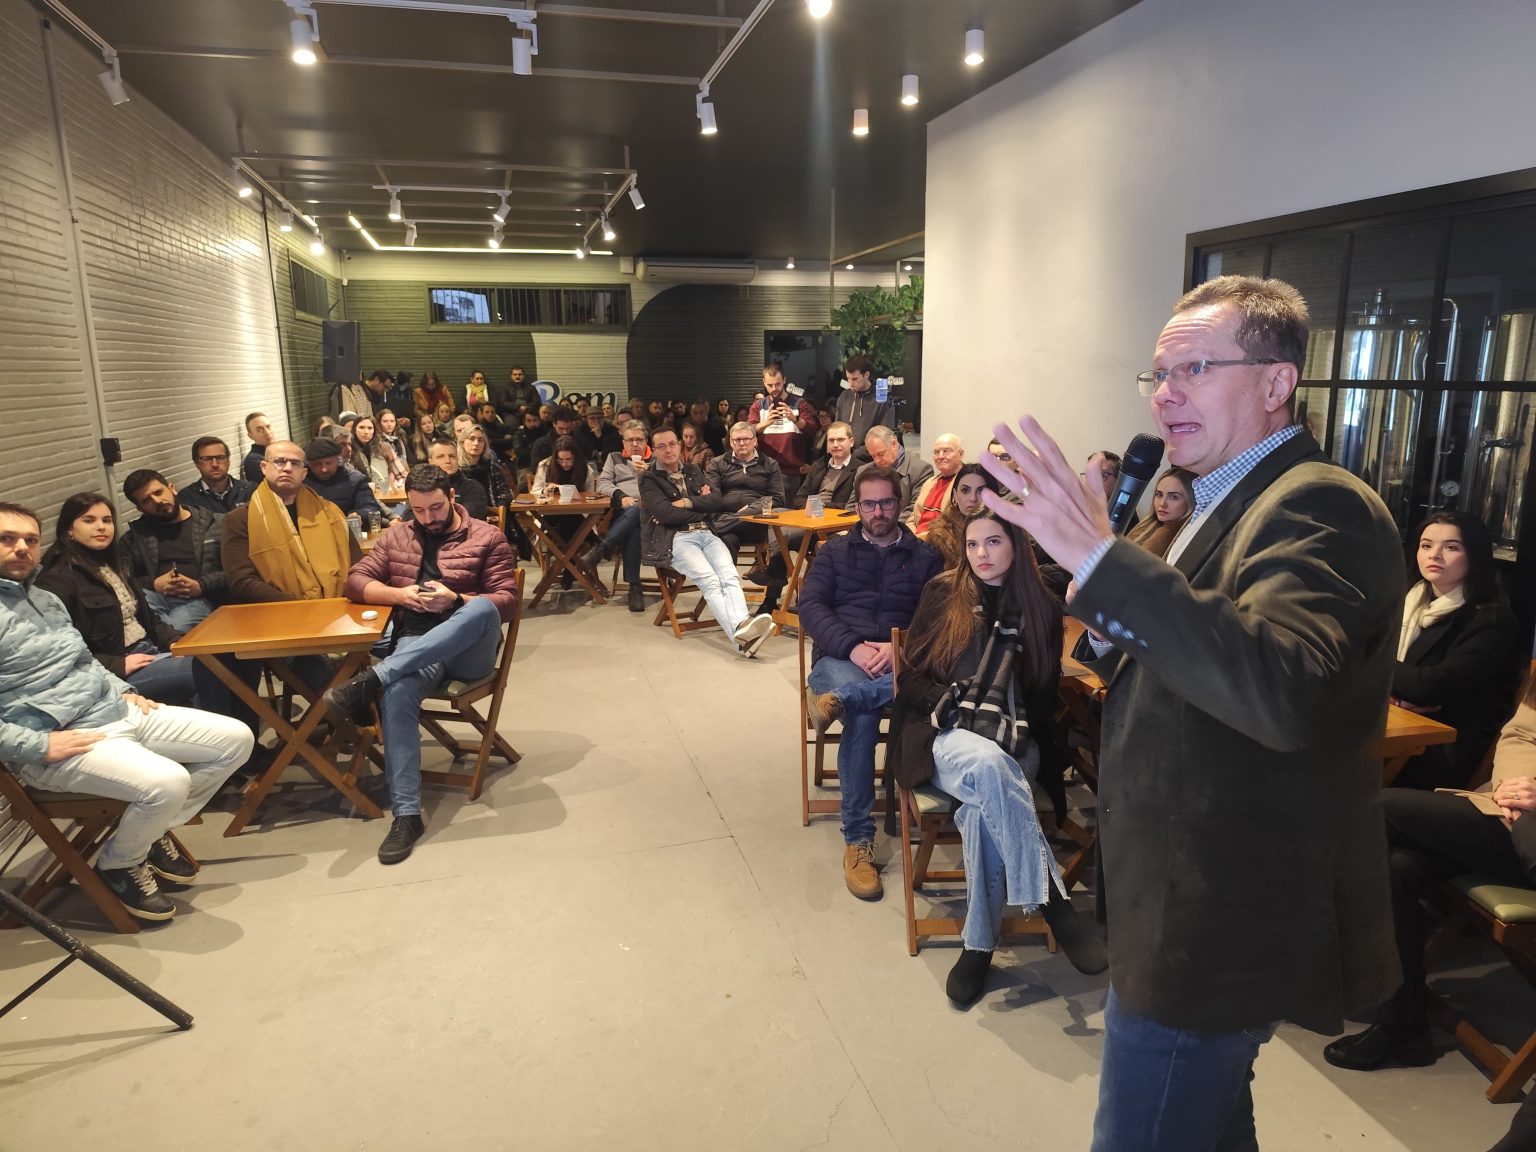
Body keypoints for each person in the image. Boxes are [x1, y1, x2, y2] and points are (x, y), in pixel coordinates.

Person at [980, 275, 1406, 1151]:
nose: (1165, 394)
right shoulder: (1221, 499)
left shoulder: (1320, 504)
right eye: (1159, 374)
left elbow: (1280, 689)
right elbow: (1186, 657)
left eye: (1195, 369)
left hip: (1216, 918)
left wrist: (1103, 561)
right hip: (1176, 894)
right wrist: (1107, 602)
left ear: (1277, 381)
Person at [889, 509, 1107, 1004]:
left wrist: (1013, 733)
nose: (981, 554)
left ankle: (979, 945)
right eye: (972, 544)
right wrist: (948, 703)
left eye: (993, 542)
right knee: (987, 766)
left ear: (1017, 546)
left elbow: (1043, 699)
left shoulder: (1042, 608)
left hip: (1014, 741)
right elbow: (911, 678)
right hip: (942, 733)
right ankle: (1054, 903)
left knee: (983, 807)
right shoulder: (943, 593)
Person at [0, 501, 252, 921]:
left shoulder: (45, 599)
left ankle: (148, 833)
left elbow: (83, 661)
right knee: (168, 781)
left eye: (29, 539)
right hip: (61, 741)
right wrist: (38, 746)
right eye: (7, 539)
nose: (22, 548)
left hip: (113, 710)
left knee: (236, 740)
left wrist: (122, 689)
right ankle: (119, 863)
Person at [1324, 681, 1536, 1074]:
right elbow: (1523, 732)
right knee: (1399, 866)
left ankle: (1303, 956)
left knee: (1379, 809)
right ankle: (1402, 1024)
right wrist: (1517, 785)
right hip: (1513, 815)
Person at [329, 465, 520, 865]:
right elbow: (355, 581)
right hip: (416, 640)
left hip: (469, 648)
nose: (428, 518)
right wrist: (400, 596)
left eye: (435, 508)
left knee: (480, 608)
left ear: (452, 497)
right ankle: (406, 815)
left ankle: (374, 676)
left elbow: (507, 601)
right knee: (398, 692)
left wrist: (455, 599)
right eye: (418, 510)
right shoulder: (398, 535)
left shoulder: (486, 536)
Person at [800, 466, 943, 901]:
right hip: (840, 658)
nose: (877, 512)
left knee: (859, 705)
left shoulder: (926, 557)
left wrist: (898, 648)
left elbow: (938, 620)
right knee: (863, 717)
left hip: (902, 661)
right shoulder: (834, 552)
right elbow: (810, 606)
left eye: (885, 503)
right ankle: (858, 839)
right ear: (858, 506)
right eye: (868, 504)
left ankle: (838, 700)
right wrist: (853, 647)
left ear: (900, 504)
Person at [1388, 510, 1520, 790]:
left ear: (1475, 555)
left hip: (1440, 748)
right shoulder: (1405, 602)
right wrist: (1395, 695)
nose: (1434, 555)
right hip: (1393, 727)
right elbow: (1353, 659)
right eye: (1426, 545)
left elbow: (1431, 686)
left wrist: (1378, 670)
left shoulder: (1492, 620)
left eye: (1451, 547)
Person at [37, 494, 207, 709]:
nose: (101, 527)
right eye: (89, 520)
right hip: (117, 671)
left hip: (149, 651)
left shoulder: (115, 564)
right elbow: (58, 648)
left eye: (107, 520)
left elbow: (147, 618)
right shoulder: (57, 579)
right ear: (68, 530)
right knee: (206, 669)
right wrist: (117, 664)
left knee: (219, 659)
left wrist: (175, 642)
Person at [638, 426, 775, 657]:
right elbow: (665, 515)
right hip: (677, 538)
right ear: (654, 450)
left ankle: (744, 631)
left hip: (707, 533)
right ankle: (742, 637)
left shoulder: (693, 470)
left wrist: (687, 503)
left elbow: (716, 501)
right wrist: (700, 507)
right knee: (710, 580)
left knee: (729, 575)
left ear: (679, 445)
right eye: (661, 446)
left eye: (672, 444)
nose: (668, 450)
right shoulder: (649, 478)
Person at [222, 440, 361, 603]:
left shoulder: (329, 511)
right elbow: (242, 581)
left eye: (295, 463)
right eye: (279, 461)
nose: (288, 468)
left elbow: (358, 565)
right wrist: (299, 607)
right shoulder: (240, 519)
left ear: (304, 473)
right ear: (264, 467)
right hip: (279, 610)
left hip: (339, 604)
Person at [746, 420, 860, 611]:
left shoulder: (860, 469)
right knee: (776, 515)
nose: (835, 445)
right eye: (831, 440)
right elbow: (799, 498)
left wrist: (821, 507)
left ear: (851, 441)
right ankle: (776, 576)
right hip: (807, 520)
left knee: (782, 535)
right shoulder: (819, 465)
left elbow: (851, 506)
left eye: (840, 440)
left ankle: (772, 589)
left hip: (833, 527)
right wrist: (809, 507)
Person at [121, 469, 226, 633]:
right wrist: (153, 583)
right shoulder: (135, 537)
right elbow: (122, 577)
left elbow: (236, 571)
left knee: (172, 629)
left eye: (158, 492)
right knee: (133, 621)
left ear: (172, 488)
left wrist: (201, 585)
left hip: (200, 598)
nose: (157, 501)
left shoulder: (217, 524)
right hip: (154, 596)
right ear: (140, 508)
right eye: (147, 500)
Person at [580, 422, 652, 613]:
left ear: (646, 441)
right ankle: (634, 587)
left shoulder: (656, 460)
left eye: (639, 439)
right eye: (630, 440)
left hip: (653, 514)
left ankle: (603, 548)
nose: (635, 444)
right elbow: (602, 484)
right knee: (633, 523)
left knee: (637, 511)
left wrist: (646, 474)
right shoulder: (614, 457)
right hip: (624, 511)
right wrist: (621, 496)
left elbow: (665, 486)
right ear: (623, 441)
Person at [707, 422, 785, 560]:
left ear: (754, 441)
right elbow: (713, 496)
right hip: (727, 518)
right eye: (737, 440)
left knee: (722, 529)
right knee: (727, 540)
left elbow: (778, 498)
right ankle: (728, 576)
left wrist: (751, 508)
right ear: (731, 443)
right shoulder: (717, 463)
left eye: (746, 439)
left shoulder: (770, 464)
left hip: (756, 521)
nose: (742, 443)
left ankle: (713, 528)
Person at [749, 363, 816, 498]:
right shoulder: (758, 406)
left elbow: (812, 429)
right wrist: (765, 423)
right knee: (765, 509)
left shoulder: (799, 404)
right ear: (764, 382)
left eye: (778, 384)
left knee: (788, 509)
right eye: (770, 385)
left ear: (784, 380)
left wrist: (794, 419)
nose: (774, 388)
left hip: (791, 472)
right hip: (763, 470)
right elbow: (748, 432)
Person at [925, 463, 1002, 571]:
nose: (973, 498)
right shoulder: (939, 535)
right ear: (955, 495)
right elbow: (933, 579)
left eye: (981, 491)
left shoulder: (1009, 528)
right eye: (965, 491)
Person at [852, 426, 933, 521]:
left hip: (901, 526)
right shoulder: (863, 471)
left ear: (894, 443)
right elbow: (852, 507)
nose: (877, 460)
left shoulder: (921, 470)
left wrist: (885, 525)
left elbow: (915, 510)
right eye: (873, 456)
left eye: (881, 454)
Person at [303, 439, 386, 521]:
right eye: (317, 464)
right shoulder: (302, 481)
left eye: (328, 463)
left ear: (337, 459)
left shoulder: (354, 479)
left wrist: (359, 514)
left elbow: (371, 507)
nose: (324, 469)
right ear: (309, 464)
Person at [1122, 467, 1195, 559]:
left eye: (1173, 497)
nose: (1162, 503)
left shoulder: (1187, 539)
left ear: (1191, 500)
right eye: (1159, 495)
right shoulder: (1144, 527)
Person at [833, 354, 895, 453]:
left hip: (871, 458)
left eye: (854, 379)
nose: (850, 383)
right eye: (848, 378)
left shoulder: (882, 399)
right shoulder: (844, 397)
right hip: (845, 456)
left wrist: (856, 454)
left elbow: (884, 437)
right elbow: (837, 430)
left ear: (866, 375)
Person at [906, 433, 964, 537]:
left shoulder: (966, 485)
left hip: (940, 542)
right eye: (937, 452)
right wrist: (910, 536)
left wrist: (922, 538)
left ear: (961, 454)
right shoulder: (930, 482)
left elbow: (956, 527)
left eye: (946, 451)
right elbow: (913, 519)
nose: (940, 456)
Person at [180, 437, 255, 516]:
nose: (215, 464)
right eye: (207, 459)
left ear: (228, 461)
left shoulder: (250, 490)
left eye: (221, 458)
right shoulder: (187, 499)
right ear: (197, 463)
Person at [425, 439, 489, 521]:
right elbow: (411, 515)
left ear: (457, 459)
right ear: (430, 462)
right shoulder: (422, 488)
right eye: (440, 456)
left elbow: (467, 517)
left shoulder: (473, 488)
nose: (448, 461)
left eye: (452, 456)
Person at [457, 424, 514, 514]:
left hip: (494, 514)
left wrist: (500, 509)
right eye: (472, 439)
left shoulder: (492, 466)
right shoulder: (457, 470)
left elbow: (504, 492)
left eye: (480, 440)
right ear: (462, 443)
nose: (476, 443)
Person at [352, 415, 408, 493]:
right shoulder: (348, 449)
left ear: (374, 430)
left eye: (370, 428)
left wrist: (395, 488)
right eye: (361, 427)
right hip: (357, 495)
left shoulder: (384, 448)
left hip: (384, 495)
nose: (366, 432)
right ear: (354, 430)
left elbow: (402, 475)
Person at [530, 407, 581, 472]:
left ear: (572, 424)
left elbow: (587, 464)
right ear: (554, 424)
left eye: (568, 428)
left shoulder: (580, 442)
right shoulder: (540, 444)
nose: (565, 432)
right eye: (561, 428)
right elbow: (536, 469)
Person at [377, 408, 413, 475]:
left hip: (403, 474)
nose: (389, 424)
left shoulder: (399, 439)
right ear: (379, 423)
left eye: (392, 421)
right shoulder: (377, 442)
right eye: (385, 421)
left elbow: (404, 461)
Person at [242, 411, 274, 482]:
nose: (267, 433)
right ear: (250, 436)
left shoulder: (276, 452)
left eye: (268, 427)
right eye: (259, 430)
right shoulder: (253, 460)